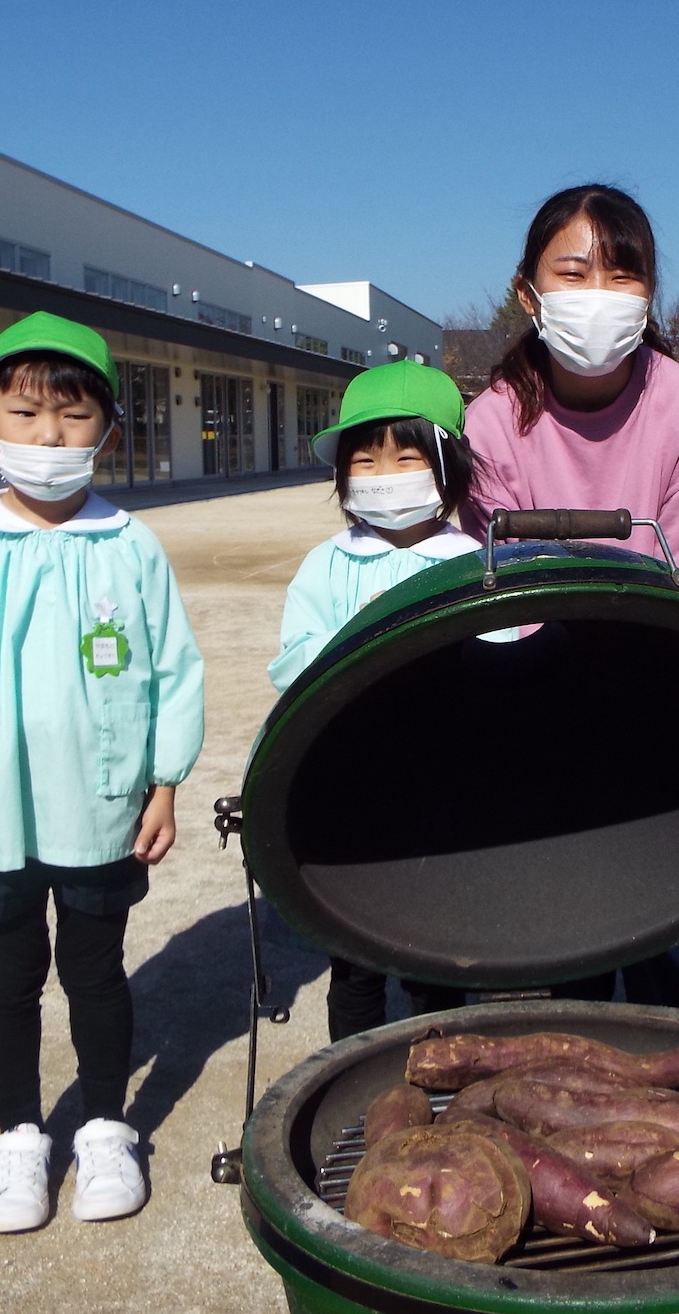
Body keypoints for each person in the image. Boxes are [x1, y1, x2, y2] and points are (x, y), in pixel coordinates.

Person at [0, 312, 205, 1235]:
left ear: (106, 429)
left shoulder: (129, 545)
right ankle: (19, 1140)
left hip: (100, 805)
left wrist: (164, 782)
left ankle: (106, 1125)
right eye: (24, 415)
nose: (48, 437)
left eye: (71, 418)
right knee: (7, 975)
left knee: (96, 971)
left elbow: (174, 669)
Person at [463, 183, 679, 1007]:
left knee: (668, 988)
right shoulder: (492, 420)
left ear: (651, 294)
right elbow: (504, 594)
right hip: (537, 712)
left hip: (663, 706)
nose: (598, 297)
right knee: (561, 968)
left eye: (624, 276)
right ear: (528, 292)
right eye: (574, 273)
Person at [268, 360, 480, 1039]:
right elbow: (295, 660)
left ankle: (444, 1094)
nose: (385, 473)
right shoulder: (326, 564)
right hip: (349, 794)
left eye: (407, 455)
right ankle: (351, 1081)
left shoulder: (475, 562)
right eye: (365, 458)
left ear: (448, 465)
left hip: (448, 798)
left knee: (439, 961)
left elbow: (502, 666)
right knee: (355, 963)